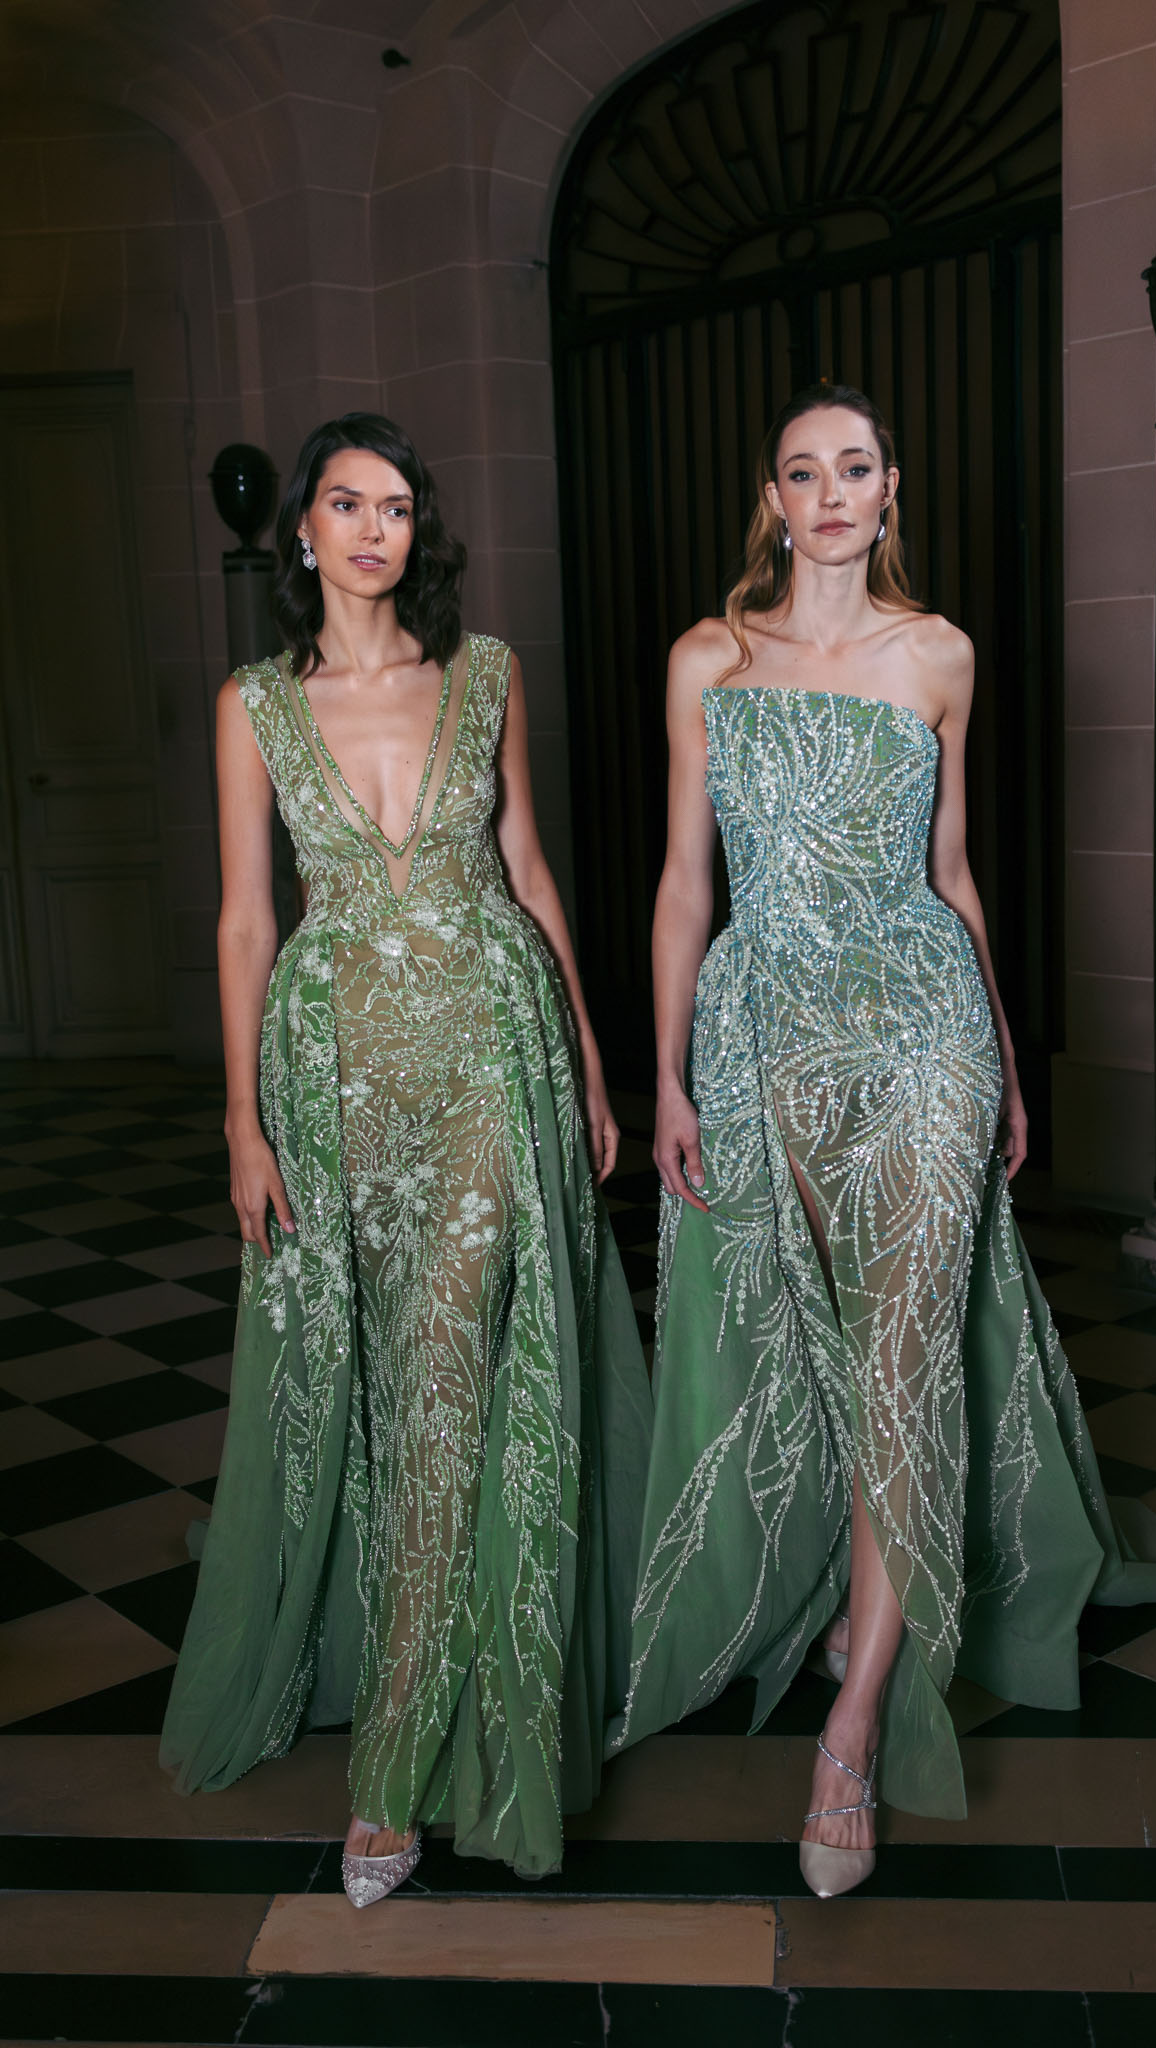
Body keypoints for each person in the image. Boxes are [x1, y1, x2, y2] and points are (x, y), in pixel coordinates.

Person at [613, 382, 1156, 1900]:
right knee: (821, 1337)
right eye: (802, 471)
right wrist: (668, 1077)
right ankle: (840, 1607)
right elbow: (684, 883)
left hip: (920, 1026)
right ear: (772, 499)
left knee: (903, 1351)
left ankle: (856, 1729)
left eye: (856, 468)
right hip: (766, 1027)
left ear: (891, 489)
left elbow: (951, 871)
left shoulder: (938, 653)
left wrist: (1002, 1056)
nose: (831, 493)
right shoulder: (707, 657)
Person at [161, 413, 652, 1904]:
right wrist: (242, 1119)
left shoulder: (484, 673)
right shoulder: (255, 704)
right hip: (338, 1079)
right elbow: (247, 918)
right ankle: (430, 1677)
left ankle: (395, 1771)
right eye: (346, 504)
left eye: (395, 506)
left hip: (492, 1047)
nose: (375, 530)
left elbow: (529, 872)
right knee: (387, 1387)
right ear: (304, 533)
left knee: (449, 1371)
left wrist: (586, 1053)